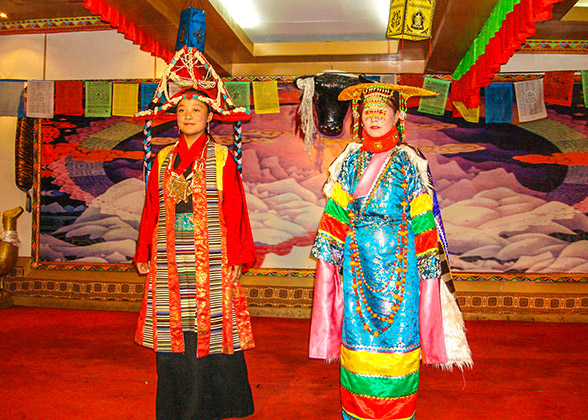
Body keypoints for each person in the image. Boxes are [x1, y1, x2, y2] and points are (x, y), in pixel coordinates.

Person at [309, 83, 472, 420]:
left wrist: (429, 270)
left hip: (403, 267)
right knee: (356, 345)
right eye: (368, 111)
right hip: (358, 267)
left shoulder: (409, 162)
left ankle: (398, 414)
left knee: (400, 343)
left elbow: (423, 219)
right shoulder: (348, 160)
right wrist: (328, 260)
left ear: (398, 116)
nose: (374, 117)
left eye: (382, 111)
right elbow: (335, 217)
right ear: (358, 117)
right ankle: (355, 413)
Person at [134, 87, 256, 420]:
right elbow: (152, 209)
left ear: (209, 117)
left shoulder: (221, 157)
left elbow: (235, 208)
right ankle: (178, 407)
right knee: (173, 329)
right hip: (168, 254)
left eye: (196, 110)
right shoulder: (162, 159)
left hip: (212, 255)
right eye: (182, 110)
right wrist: (144, 248)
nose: (188, 116)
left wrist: (237, 256)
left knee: (213, 328)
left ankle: (215, 404)